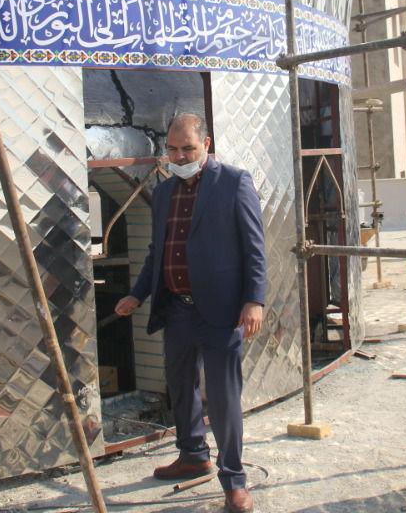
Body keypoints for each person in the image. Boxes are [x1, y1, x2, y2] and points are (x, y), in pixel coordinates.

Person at [114, 112, 267, 513]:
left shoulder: (233, 182)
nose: (180, 156)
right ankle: (193, 455)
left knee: (223, 398)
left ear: (206, 144)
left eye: (188, 148)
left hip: (221, 311)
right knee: (181, 387)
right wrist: (137, 294)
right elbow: (157, 251)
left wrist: (254, 300)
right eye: (173, 149)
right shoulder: (165, 192)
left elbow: (254, 247)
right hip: (177, 309)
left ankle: (234, 479)